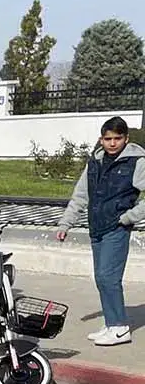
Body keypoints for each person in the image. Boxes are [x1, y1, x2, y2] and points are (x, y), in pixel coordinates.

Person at [56, 116, 145, 347]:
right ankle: (111, 324)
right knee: (102, 278)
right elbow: (80, 195)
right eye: (108, 139)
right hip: (97, 227)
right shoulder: (94, 162)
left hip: (117, 228)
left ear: (126, 139)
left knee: (109, 277)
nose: (112, 143)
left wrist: (128, 217)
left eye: (118, 138)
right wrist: (66, 223)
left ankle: (120, 328)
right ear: (101, 139)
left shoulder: (136, 162)